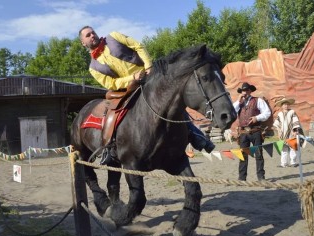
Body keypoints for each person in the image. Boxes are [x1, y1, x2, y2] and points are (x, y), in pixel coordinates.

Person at [78, 26, 215, 164]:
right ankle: (110, 145)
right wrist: (132, 78)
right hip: (127, 88)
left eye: (93, 32)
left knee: (171, 98)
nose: (92, 36)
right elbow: (111, 84)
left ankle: (196, 136)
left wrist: (148, 66)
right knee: (115, 111)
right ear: (83, 43)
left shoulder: (113, 37)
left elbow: (138, 46)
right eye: (88, 35)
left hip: (149, 76)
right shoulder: (93, 68)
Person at [233, 82, 271, 181]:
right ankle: (242, 178)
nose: (244, 92)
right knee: (242, 155)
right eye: (243, 91)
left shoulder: (258, 100)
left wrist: (257, 118)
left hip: (255, 131)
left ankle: (261, 177)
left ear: (250, 91)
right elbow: (232, 111)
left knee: (258, 155)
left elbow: (267, 113)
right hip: (243, 133)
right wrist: (238, 101)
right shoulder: (238, 102)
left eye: (246, 90)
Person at [273, 97, 302, 168]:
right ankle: (283, 163)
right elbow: (277, 123)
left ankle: (293, 162)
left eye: (287, 104)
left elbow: (295, 121)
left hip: (291, 133)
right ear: (282, 106)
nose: (286, 106)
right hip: (283, 134)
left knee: (293, 148)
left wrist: (295, 131)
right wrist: (278, 130)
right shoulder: (280, 114)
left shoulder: (292, 112)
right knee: (284, 149)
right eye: (284, 104)